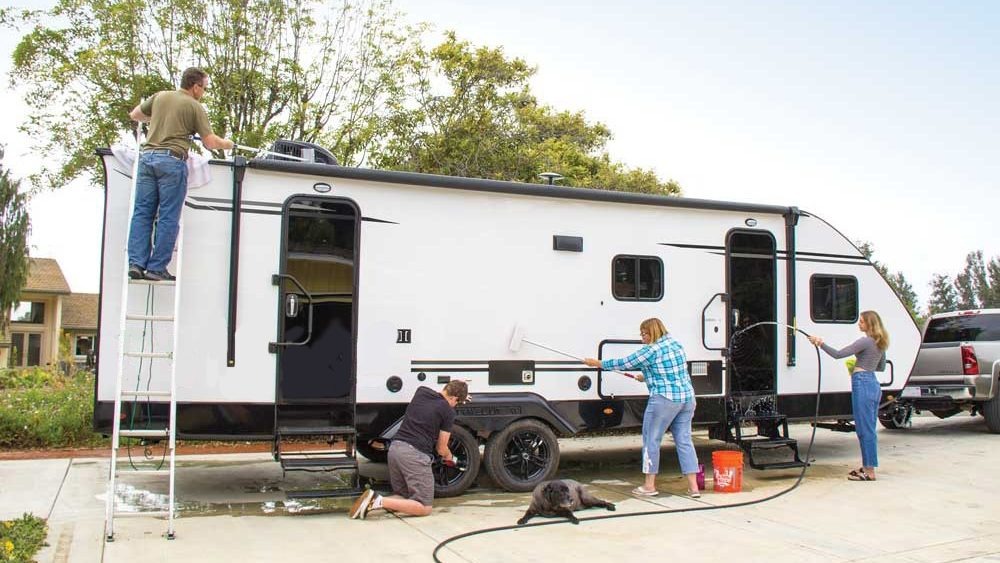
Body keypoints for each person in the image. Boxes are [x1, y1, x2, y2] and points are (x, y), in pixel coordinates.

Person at [127, 67, 234, 281]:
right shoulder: (194, 106)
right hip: (171, 161)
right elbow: (210, 142)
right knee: (168, 216)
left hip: (147, 158)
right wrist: (228, 143)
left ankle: (136, 264)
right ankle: (156, 268)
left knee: (142, 212)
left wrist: (159, 118)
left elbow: (136, 115)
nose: (203, 92)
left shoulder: (161, 97)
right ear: (195, 87)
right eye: (204, 88)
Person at [583, 318, 701, 498]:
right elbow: (674, 372)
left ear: (652, 332)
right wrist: (645, 377)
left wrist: (596, 363)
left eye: (644, 334)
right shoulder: (675, 344)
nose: (641, 338)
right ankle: (694, 489)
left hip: (664, 400)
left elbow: (623, 363)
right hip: (687, 399)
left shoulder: (651, 350)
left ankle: (649, 486)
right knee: (684, 441)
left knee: (651, 440)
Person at [350, 380, 469, 519]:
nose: (456, 406)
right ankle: (377, 500)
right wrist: (450, 457)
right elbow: (441, 449)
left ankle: (371, 501)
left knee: (403, 496)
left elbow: (443, 393)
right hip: (414, 454)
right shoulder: (448, 412)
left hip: (395, 450)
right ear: (455, 398)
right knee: (424, 507)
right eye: (458, 403)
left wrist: (459, 387)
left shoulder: (421, 392)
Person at [808, 310, 889, 482]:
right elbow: (880, 367)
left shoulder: (865, 341)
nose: (859, 324)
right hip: (873, 384)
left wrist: (819, 343)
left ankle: (869, 471)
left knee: (864, 430)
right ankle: (868, 465)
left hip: (862, 383)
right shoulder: (880, 342)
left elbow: (838, 354)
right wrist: (863, 363)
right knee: (869, 429)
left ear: (869, 324)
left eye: (861, 321)